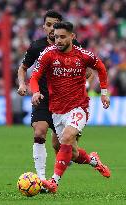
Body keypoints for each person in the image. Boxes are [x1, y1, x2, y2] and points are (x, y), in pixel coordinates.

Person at [30, 21, 111, 193]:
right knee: (71, 152)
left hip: (79, 107)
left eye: (62, 37)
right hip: (57, 110)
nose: (57, 40)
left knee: (67, 137)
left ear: (72, 37)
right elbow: (34, 77)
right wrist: (35, 92)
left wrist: (104, 92)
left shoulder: (83, 55)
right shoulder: (48, 55)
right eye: (56, 36)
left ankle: (54, 182)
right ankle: (93, 161)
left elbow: (101, 68)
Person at [17, 10, 92, 181]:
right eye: (48, 25)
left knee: (67, 150)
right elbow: (23, 68)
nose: (51, 29)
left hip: (67, 103)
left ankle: (92, 160)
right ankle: (42, 179)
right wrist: (23, 84)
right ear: (44, 27)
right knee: (39, 132)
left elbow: (89, 70)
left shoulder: (74, 45)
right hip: (42, 99)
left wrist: (78, 81)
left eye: (54, 24)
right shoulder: (37, 46)